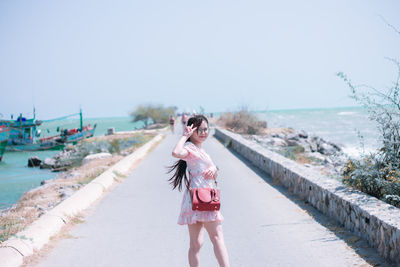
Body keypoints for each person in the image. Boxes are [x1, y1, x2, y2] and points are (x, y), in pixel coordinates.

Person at [168, 115, 230, 267]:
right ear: (191, 131)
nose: (203, 133)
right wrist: (184, 136)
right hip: (203, 199)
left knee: (197, 243)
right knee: (215, 238)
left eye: (205, 129)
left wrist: (215, 168)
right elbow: (176, 153)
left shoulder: (201, 150)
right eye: (199, 130)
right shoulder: (190, 148)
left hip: (197, 199)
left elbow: (208, 173)